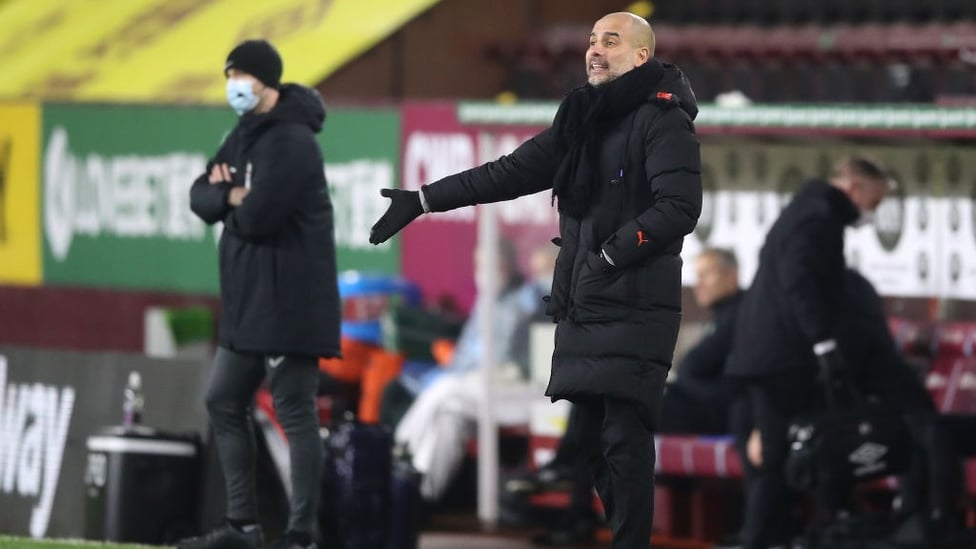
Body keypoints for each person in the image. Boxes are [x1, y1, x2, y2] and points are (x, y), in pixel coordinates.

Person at [370, 12, 702, 548]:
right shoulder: (581, 118)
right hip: (586, 305)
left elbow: (680, 208)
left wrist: (611, 256)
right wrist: (425, 199)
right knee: (593, 446)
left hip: (636, 306)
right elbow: (508, 172)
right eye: (592, 41)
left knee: (622, 435)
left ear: (642, 55)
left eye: (610, 42)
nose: (595, 50)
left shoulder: (664, 121)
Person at [179, 39, 340, 549]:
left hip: (287, 303)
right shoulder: (244, 133)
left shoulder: (291, 141)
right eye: (228, 74)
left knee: (294, 411)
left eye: (240, 75)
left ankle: (301, 534)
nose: (233, 85)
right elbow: (199, 196)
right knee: (223, 400)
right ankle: (243, 527)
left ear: (265, 80)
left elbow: (258, 216)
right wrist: (228, 192)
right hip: (249, 305)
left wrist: (232, 200)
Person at [513, 248, 742, 546]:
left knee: (604, 403)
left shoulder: (740, 313)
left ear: (732, 276)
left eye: (707, 274)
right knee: (597, 401)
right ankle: (573, 494)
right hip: (685, 402)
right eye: (697, 275)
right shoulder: (722, 316)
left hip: (705, 412)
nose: (699, 283)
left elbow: (704, 371)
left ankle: (569, 479)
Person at [724, 156, 892, 549]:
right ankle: (767, 537)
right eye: (875, 201)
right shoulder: (820, 218)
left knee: (780, 450)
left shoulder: (803, 209)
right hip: (784, 356)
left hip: (762, 352)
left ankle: (778, 534)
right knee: (791, 452)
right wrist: (824, 342)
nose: (872, 212)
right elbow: (799, 280)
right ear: (855, 188)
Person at [393, 237, 537, 501]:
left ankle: (398, 450)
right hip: (472, 391)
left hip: (513, 393)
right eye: (479, 265)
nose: (483, 272)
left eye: (490, 264)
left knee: (445, 389)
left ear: (507, 264)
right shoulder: (486, 301)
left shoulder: (525, 300)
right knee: (449, 417)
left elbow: (513, 362)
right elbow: (462, 356)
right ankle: (420, 494)